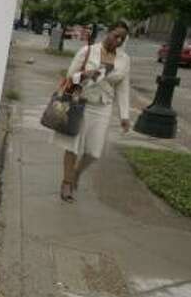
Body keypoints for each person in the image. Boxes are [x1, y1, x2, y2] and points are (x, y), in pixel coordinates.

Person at [53, 22, 132, 202]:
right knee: (72, 146)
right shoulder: (88, 51)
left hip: (103, 107)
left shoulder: (124, 59)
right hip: (80, 103)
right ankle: (67, 183)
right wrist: (87, 74)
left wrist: (125, 116)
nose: (118, 40)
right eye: (115, 35)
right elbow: (69, 77)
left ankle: (76, 174)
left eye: (122, 38)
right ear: (108, 32)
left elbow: (123, 88)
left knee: (94, 152)